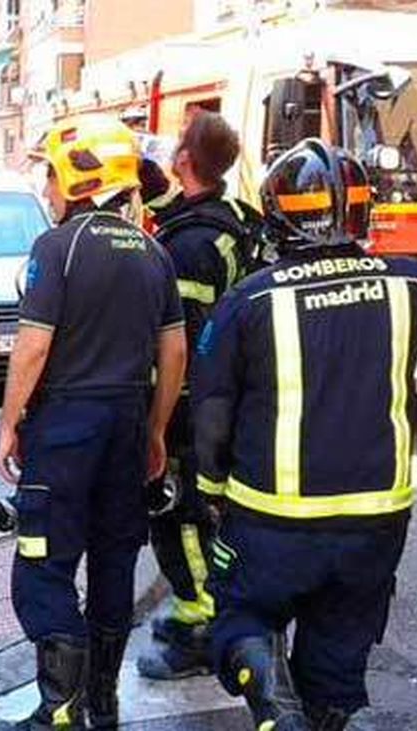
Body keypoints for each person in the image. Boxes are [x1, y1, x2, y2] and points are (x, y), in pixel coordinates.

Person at [194, 140, 417, 730]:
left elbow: (211, 414)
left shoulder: (247, 302)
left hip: (270, 522)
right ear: (361, 213)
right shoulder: (405, 284)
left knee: (240, 620)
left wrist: (209, 487)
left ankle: (274, 706)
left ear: (277, 214)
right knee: (335, 664)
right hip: (373, 526)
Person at [0, 115, 187, 730]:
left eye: (52, 175)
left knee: (43, 566)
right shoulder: (154, 252)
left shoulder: (58, 247)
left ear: (79, 179)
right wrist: (155, 430)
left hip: (66, 429)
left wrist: (8, 424)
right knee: (112, 564)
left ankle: (59, 711)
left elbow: (32, 347)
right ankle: (101, 704)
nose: (48, 188)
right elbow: (174, 353)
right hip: (127, 425)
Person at [136, 112, 264, 681]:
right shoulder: (234, 218)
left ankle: (202, 624)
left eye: (176, 146)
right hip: (233, 394)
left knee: (177, 514)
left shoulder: (187, 249)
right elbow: (177, 208)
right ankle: (209, 606)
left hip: (191, 402)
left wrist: (157, 422)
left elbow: (178, 342)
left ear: (186, 159)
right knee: (209, 513)